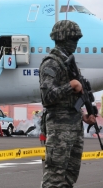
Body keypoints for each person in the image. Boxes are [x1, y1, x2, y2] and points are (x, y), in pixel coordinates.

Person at [39, 20, 96, 188]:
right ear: (62, 38)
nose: (75, 44)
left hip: (74, 126)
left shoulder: (70, 64)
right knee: (54, 178)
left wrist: (85, 115)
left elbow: (73, 99)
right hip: (58, 129)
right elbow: (47, 97)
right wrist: (70, 86)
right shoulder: (51, 63)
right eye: (73, 39)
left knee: (70, 175)